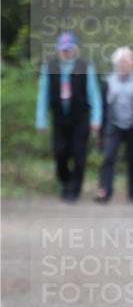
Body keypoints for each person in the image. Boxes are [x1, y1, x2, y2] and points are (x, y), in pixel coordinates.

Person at [35, 31, 102, 202]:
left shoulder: (85, 66)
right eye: (63, 49)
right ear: (58, 50)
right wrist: (41, 119)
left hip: (80, 118)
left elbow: (94, 94)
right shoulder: (49, 67)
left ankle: (75, 189)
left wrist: (96, 118)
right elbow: (43, 94)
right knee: (60, 154)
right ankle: (65, 182)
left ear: (74, 48)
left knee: (79, 155)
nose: (66, 52)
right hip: (59, 118)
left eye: (69, 49)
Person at [95, 47, 133, 204]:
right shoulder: (109, 81)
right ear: (116, 64)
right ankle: (104, 190)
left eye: (128, 61)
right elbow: (102, 106)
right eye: (122, 62)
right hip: (113, 125)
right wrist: (101, 130)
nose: (125, 65)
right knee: (108, 157)